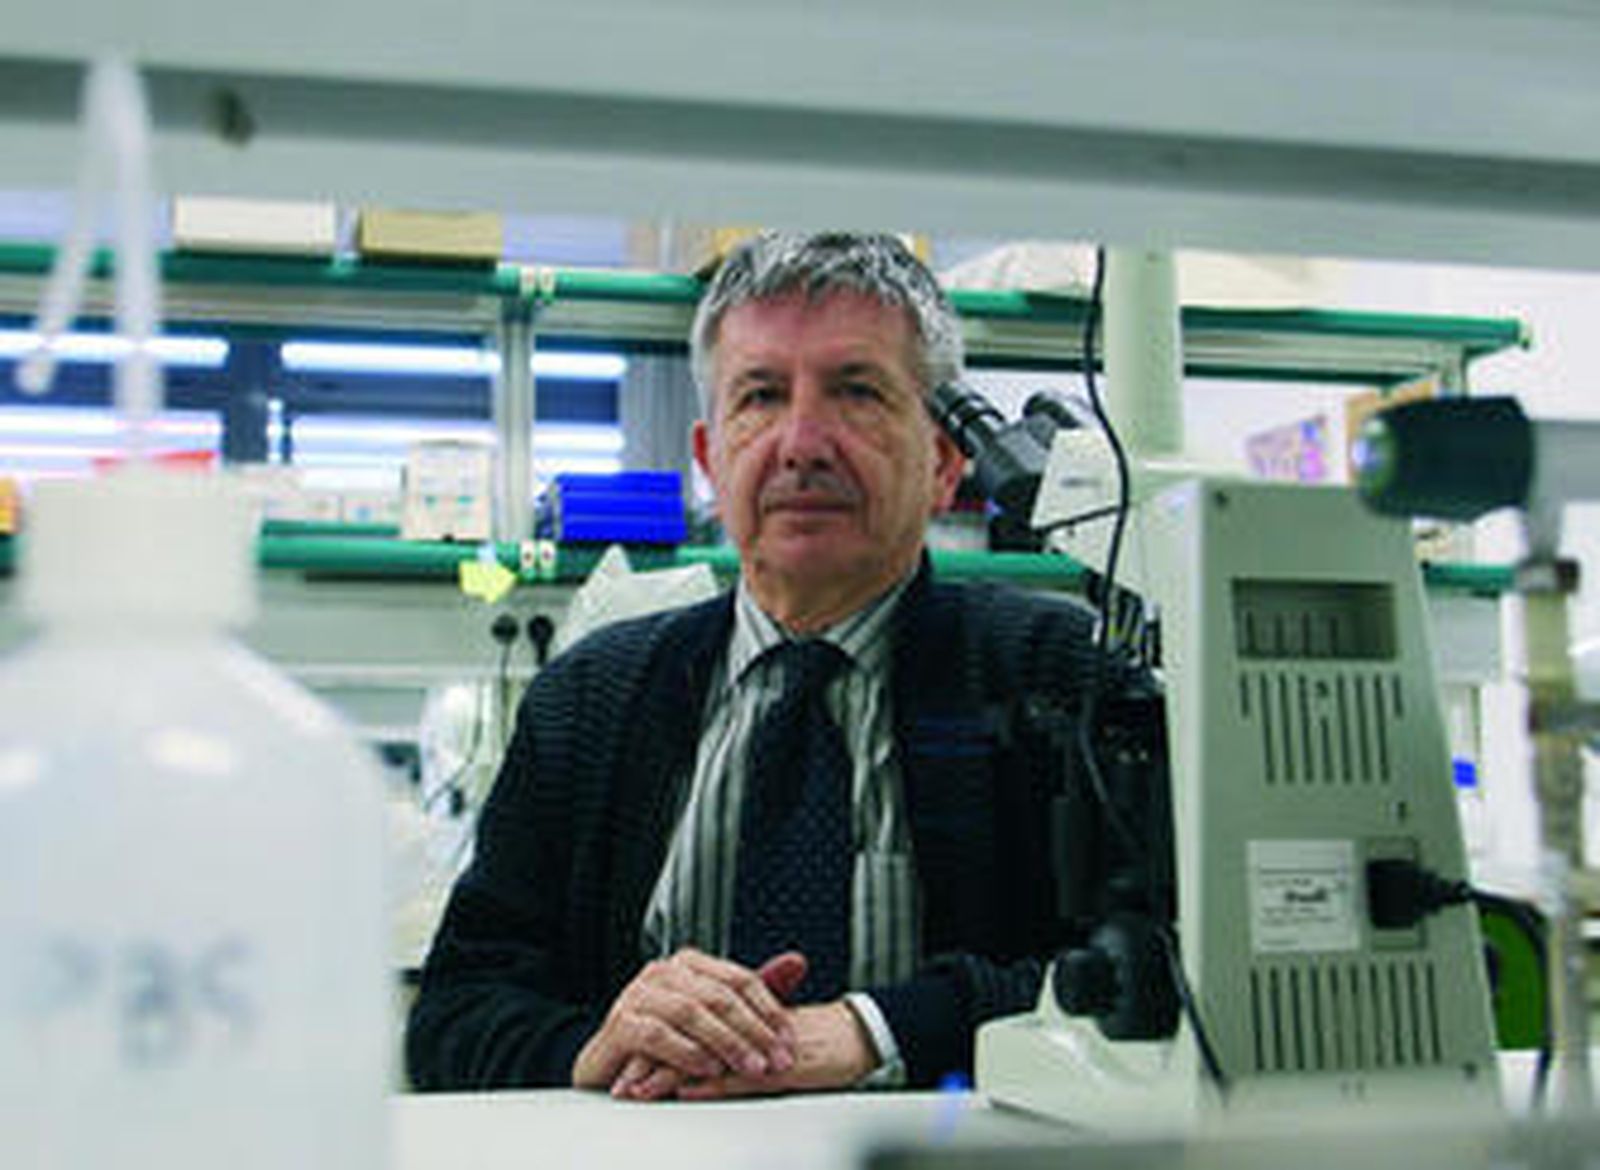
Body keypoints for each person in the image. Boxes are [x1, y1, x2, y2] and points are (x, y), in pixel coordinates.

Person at [405, 230, 1137, 1100]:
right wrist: (593, 1044)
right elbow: (456, 1014)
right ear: (712, 461)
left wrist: (879, 1028)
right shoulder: (589, 696)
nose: (800, 443)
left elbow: (1155, 979)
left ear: (946, 464)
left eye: (856, 391)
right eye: (760, 396)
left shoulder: (1059, 677)